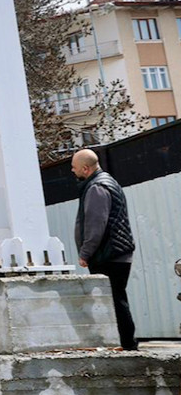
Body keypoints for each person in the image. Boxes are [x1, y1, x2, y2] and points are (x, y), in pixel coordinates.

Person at [72, 148, 137, 350]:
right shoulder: (107, 182)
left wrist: (85, 253)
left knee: (116, 299)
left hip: (109, 254)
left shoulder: (97, 188)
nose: (72, 172)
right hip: (115, 252)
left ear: (85, 168)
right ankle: (125, 343)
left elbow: (95, 225)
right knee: (117, 298)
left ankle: (128, 344)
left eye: (74, 168)